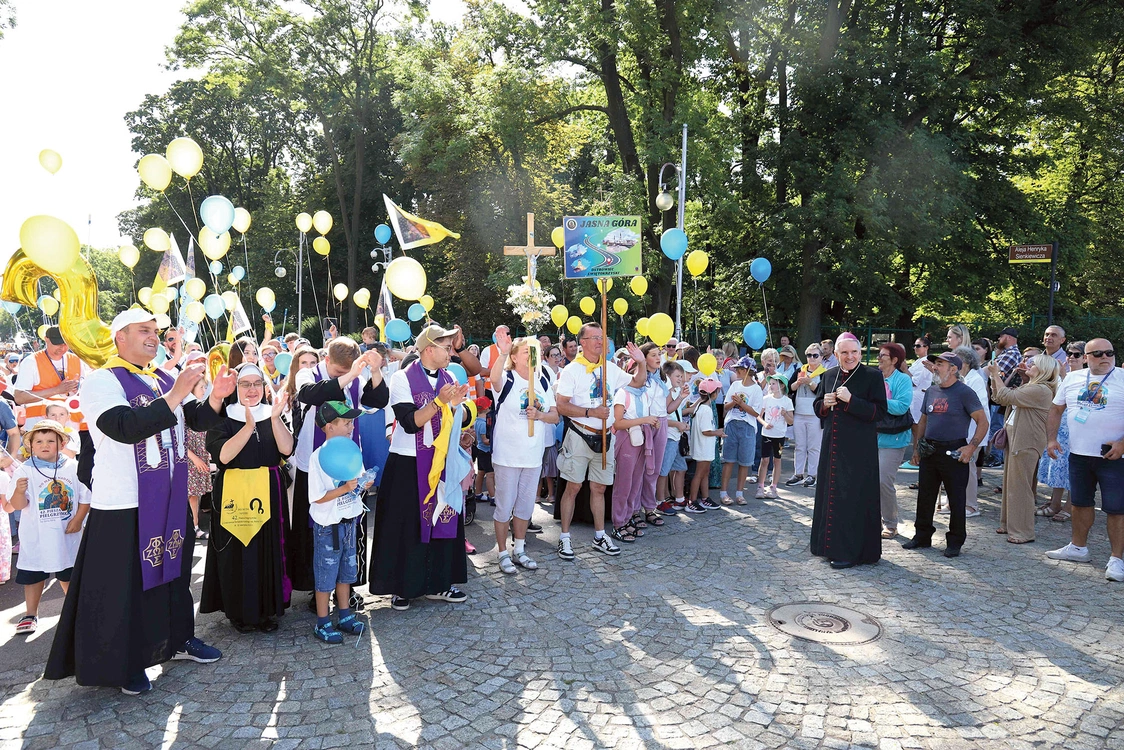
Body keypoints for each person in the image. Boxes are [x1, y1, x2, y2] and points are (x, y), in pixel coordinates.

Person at [46, 309, 237, 695]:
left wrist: (216, 396)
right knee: (125, 587)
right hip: (124, 503)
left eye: (155, 330)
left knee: (174, 576)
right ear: (120, 337)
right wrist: (177, 392)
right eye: (143, 330)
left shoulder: (160, 378)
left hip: (169, 497)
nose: (153, 337)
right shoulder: (101, 380)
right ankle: (124, 663)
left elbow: (195, 421)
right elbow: (124, 428)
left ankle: (178, 639)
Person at [369, 324, 473, 609]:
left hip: (441, 462)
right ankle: (402, 587)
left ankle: (439, 583)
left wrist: (458, 411)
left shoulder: (449, 376)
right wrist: (440, 402)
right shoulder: (402, 378)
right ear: (429, 349)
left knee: (442, 520)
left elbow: (453, 418)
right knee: (406, 525)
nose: (451, 352)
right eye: (446, 348)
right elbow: (410, 422)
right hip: (408, 462)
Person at [289, 339, 387, 600]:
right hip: (314, 465)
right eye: (338, 371)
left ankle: (347, 587)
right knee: (316, 527)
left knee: (349, 526)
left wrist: (375, 370)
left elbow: (378, 400)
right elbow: (309, 394)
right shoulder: (308, 373)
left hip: (348, 464)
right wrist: (349, 376)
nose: (342, 376)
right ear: (327, 359)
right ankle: (317, 589)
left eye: (348, 371)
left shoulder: (356, 376)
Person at [200, 364, 294, 633]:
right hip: (234, 492)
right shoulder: (223, 416)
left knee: (267, 550)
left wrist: (274, 419)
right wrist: (248, 426)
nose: (252, 390)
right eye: (245, 384)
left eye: (256, 384)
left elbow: (287, 449)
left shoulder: (272, 413)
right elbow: (224, 456)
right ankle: (239, 612)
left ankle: (266, 610)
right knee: (238, 553)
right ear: (236, 388)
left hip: (268, 492)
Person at [553, 324, 647, 560]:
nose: (600, 341)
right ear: (582, 342)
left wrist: (641, 362)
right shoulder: (572, 370)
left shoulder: (610, 368)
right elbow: (561, 405)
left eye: (602, 337)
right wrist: (590, 413)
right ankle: (564, 538)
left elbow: (637, 383)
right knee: (573, 487)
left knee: (600, 488)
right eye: (594, 337)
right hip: (579, 434)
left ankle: (599, 536)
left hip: (605, 437)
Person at [1045, 339, 1124, 581]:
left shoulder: (1122, 378)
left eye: (1109, 352)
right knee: (1079, 503)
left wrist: (1123, 443)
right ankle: (1078, 548)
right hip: (1079, 454)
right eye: (1098, 353)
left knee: (1116, 509)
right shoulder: (1072, 378)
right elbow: (1056, 409)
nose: (1105, 357)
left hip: (1114, 456)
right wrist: (1051, 439)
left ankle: (1117, 559)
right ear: (1086, 357)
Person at [810, 335, 887, 569]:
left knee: (851, 498)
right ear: (836, 354)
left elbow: (879, 412)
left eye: (854, 352)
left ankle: (851, 552)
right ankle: (826, 546)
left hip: (858, 451)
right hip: (832, 448)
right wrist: (825, 404)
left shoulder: (872, 376)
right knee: (830, 495)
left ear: (861, 353)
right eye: (844, 353)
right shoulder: (829, 375)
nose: (850, 357)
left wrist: (851, 400)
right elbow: (817, 407)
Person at [902, 352, 989, 558]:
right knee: (925, 496)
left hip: (954, 450)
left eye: (940, 364)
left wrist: (971, 447)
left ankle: (955, 541)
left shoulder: (965, 392)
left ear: (954, 369)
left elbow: (983, 422)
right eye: (935, 363)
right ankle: (922, 536)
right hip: (930, 450)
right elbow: (923, 420)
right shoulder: (932, 391)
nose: (935, 367)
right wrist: (917, 448)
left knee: (956, 498)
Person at [6, 420, 89, 635]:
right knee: (33, 575)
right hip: (37, 536)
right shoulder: (25, 469)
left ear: (62, 444)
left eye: (51, 441)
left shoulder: (73, 466)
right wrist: (18, 491)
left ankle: (74, 613)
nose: (45, 445)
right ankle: (30, 614)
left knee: (69, 574)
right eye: (39, 441)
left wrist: (78, 519)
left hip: (67, 535)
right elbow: (17, 506)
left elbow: (85, 498)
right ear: (31, 445)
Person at [487, 332, 558, 572]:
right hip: (507, 456)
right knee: (504, 506)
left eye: (534, 351)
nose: (532, 355)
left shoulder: (542, 381)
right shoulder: (507, 379)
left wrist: (540, 415)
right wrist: (502, 352)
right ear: (515, 357)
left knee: (525, 507)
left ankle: (519, 549)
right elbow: (493, 379)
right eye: (527, 351)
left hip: (532, 456)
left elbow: (555, 416)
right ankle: (502, 552)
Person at [307, 401, 373, 642]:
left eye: (351, 422)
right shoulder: (318, 457)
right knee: (326, 575)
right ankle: (322, 622)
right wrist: (344, 488)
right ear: (329, 427)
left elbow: (358, 482)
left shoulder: (351, 451)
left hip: (349, 522)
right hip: (328, 527)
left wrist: (365, 483)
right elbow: (317, 497)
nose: (351, 427)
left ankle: (344, 615)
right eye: (346, 423)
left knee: (346, 573)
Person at [987, 354, 1059, 544]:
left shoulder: (1040, 389)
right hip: (1017, 439)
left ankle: (1023, 532)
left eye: (1032, 364)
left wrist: (996, 375)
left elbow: (1006, 396)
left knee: (1021, 487)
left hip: (1026, 442)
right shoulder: (1032, 386)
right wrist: (995, 377)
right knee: (1011, 484)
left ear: (1043, 369)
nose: (1027, 365)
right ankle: (1009, 524)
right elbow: (999, 398)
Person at [15, 326, 93, 487]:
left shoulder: (76, 360)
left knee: (69, 476)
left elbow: (84, 389)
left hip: (69, 430)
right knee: (40, 479)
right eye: (57, 343)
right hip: (40, 429)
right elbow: (19, 397)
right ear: (46, 340)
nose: (62, 348)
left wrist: (75, 389)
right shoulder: (31, 362)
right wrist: (57, 390)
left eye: (65, 344)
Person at [1038, 342, 1086, 521]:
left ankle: (1069, 505)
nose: (1072, 357)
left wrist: (1065, 376)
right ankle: (1055, 502)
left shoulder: (1087, 377)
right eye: (1069, 353)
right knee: (1058, 463)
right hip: (1060, 426)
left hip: (1077, 427)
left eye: (1077, 354)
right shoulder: (1062, 375)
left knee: (1074, 466)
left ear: (1085, 358)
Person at [875, 343, 913, 538]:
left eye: (883, 355)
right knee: (868, 481)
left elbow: (901, 407)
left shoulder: (903, 379)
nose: (879, 358)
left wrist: (878, 402)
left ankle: (890, 523)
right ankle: (871, 521)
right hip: (871, 437)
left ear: (894, 360)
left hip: (894, 440)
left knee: (883, 481)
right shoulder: (875, 377)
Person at [719, 356, 762, 505]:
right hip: (732, 425)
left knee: (745, 462)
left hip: (748, 427)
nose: (736, 371)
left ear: (747, 370)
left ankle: (739, 493)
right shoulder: (735, 385)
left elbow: (756, 413)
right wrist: (734, 402)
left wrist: (742, 404)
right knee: (729, 460)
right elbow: (726, 406)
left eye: (739, 369)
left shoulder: (756, 389)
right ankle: (723, 493)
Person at [954, 346, 989, 518]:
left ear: (966, 362)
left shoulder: (975, 379)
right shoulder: (963, 378)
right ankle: (955, 502)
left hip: (974, 431)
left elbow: (978, 404)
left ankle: (971, 505)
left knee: (969, 467)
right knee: (956, 467)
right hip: (960, 429)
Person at [656, 361, 691, 514]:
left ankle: (679, 498)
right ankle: (660, 501)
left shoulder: (674, 391)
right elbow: (663, 416)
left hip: (675, 436)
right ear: (668, 376)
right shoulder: (665, 392)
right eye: (677, 376)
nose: (680, 379)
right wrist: (677, 424)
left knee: (681, 467)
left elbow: (671, 410)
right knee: (663, 471)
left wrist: (681, 397)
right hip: (669, 436)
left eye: (681, 376)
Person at [787, 345, 823, 488]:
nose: (812, 358)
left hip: (815, 414)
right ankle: (798, 473)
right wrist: (798, 383)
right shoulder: (799, 371)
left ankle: (812, 475)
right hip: (799, 413)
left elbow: (822, 392)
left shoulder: (824, 373)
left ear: (821, 357)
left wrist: (810, 383)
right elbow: (789, 388)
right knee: (799, 446)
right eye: (809, 355)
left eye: (815, 355)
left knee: (814, 447)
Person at [986, 327, 1023, 467]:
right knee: (996, 426)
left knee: (997, 427)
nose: (998, 340)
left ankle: (996, 456)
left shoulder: (1011, 354)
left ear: (1008, 337)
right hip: (1000, 395)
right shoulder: (1007, 353)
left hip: (1002, 396)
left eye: (1000, 337)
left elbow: (995, 373)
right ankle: (996, 456)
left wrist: (991, 369)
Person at [686, 379, 723, 513]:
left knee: (705, 473)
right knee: (699, 474)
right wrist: (718, 432)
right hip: (703, 447)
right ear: (713, 393)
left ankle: (705, 498)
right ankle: (692, 501)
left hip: (704, 447)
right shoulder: (706, 410)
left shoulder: (700, 406)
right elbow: (705, 431)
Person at [755, 375, 793, 499]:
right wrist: (765, 424)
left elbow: (791, 421)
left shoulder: (787, 401)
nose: (770, 386)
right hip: (767, 434)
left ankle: (773, 487)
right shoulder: (766, 399)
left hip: (780, 436)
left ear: (781, 386)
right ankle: (760, 486)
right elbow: (758, 415)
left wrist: (785, 414)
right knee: (765, 460)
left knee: (777, 459)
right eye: (770, 384)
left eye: (773, 383)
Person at [905, 336, 933, 471]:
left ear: (926, 347)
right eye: (914, 346)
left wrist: (905, 369)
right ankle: (915, 457)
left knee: (917, 428)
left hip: (919, 397)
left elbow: (915, 381)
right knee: (914, 427)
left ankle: (916, 458)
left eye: (918, 346)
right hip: (914, 397)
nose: (915, 348)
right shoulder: (918, 361)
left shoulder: (925, 362)